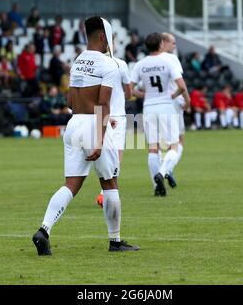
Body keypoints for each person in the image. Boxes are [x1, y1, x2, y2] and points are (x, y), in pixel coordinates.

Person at [32, 16, 139, 256]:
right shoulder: (109, 65)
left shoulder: (78, 60)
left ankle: (44, 230)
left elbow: (70, 101)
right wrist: (100, 139)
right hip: (94, 125)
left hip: (73, 125)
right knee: (110, 183)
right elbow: (103, 104)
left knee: (70, 185)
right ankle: (115, 241)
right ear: (103, 37)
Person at [130, 32, 190, 196]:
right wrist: (174, 96)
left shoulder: (140, 64)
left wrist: (142, 95)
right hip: (165, 105)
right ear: (161, 45)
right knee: (173, 145)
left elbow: (129, 88)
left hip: (148, 107)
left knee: (153, 148)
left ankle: (157, 188)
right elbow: (182, 86)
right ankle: (163, 172)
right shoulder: (168, 61)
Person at [95, 38, 133, 208]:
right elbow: (129, 92)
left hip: (97, 114)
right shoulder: (121, 64)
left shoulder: (93, 65)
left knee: (99, 152)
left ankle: (105, 191)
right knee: (116, 154)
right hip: (117, 115)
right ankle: (106, 193)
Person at [160, 32, 190, 188]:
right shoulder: (172, 59)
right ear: (163, 42)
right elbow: (181, 84)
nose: (174, 46)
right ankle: (166, 170)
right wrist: (187, 100)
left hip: (156, 105)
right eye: (173, 43)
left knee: (159, 143)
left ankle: (161, 172)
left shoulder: (149, 60)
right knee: (178, 141)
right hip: (174, 104)